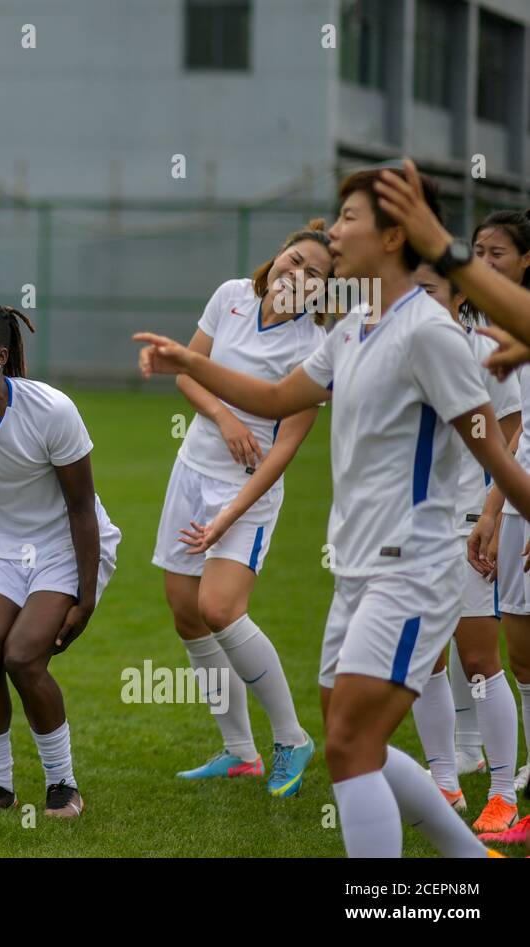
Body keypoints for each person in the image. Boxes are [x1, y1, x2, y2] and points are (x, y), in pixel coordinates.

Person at [135, 166, 529, 857]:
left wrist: (509, 513)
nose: (333, 231)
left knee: (348, 745)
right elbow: (278, 396)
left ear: (394, 234)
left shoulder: (430, 335)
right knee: (356, 745)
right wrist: (185, 363)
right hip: (354, 572)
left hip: (412, 571)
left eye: (348, 217)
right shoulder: (351, 326)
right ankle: (471, 859)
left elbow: (495, 451)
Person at [0, 299, 120, 819]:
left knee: (23, 656)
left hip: (69, 546)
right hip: (9, 552)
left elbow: (82, 509)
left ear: (0, 354)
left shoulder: (51, 410)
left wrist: (86, 595)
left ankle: (63, 785)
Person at [154, 221, 329, 796]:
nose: (297, 274)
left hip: (247, 491)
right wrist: (226, 416)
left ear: (324, 293)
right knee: (186, 612)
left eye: (314, 274)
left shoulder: (316, 350)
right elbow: (187, 370)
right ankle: (239, 752)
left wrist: (229, 515)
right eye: (294, 260)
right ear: (277, 256)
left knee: (221, 607)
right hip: (193, 469)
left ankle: (291, 737)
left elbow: (285, 449)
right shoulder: (231, 295)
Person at [410, 259, 520, 836]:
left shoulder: (483, 349)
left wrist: (491, 510)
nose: (416, 298)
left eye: (429, 288)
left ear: (459, 297)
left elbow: (510, 429)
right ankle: (445, 782)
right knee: (420, 661)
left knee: (479, 662)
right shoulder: (394, 348)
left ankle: (503, 794)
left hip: (465, 526)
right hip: (406, 533)